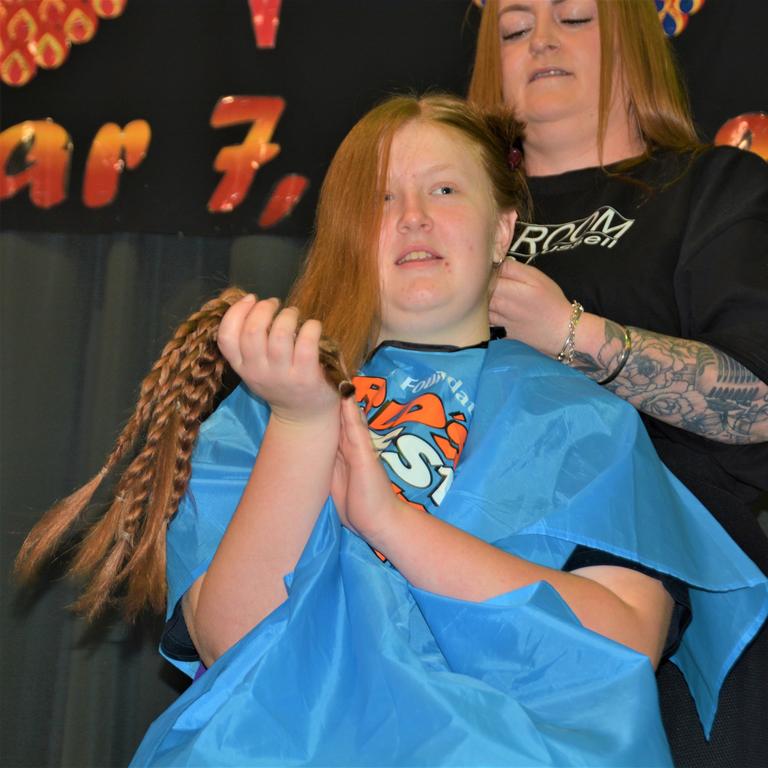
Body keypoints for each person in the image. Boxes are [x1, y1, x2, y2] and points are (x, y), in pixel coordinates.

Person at [15, 95, 768, 766]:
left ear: (504, 227)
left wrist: (391, 523)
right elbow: (230, 640)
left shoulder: (587, 420)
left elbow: (623, 640)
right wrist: (304, 427)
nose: (412, 215)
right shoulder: (259, 415)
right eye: (381, 199)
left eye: (443, 189)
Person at [469, 1, 768, 764]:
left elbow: (759, 404)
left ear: (637, 37)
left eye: (573, 16)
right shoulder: (445, 217)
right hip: (466, 601)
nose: (540, 40)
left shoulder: (711, 187)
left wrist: (575, 335)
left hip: (679, 606)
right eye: (513, 27)